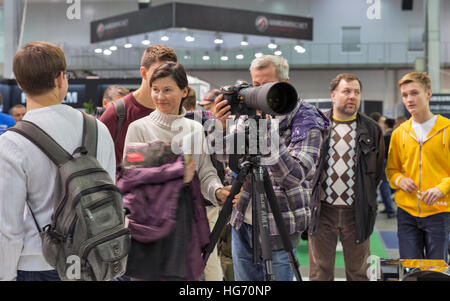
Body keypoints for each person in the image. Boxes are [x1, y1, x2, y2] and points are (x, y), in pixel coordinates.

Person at [0, 41, 116, 281]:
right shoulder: (99, 129)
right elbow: (110, 194)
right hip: (94, 261)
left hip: (37, 264)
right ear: (61, 78)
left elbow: (7, 228)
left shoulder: (11, 143)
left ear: (21, 84)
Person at [213, 54, 330, 281]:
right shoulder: (249, 114)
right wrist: (219, 126)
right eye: (255, 86)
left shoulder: (307, 119)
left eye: (265, 86)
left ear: (283, 85)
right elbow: (225, 156)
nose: (258, 93)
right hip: (243, 220)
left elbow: (294, 176)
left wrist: (266, 132)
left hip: (280, 222)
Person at [123, 62, 230, 280]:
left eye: (167, 90)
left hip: (187, 227)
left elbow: (205, 172)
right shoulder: (139, 128)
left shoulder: (195, 128)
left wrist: (218, 192)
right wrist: (176, 171)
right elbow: (131, 177)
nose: (160, 96)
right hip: (150, 228)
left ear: (184, 91)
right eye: (155, 89)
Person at [308, 73, 384, 281]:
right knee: (319, 274)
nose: (352, 96)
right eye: (346, 91)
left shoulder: (372, 129)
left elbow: (376, 173)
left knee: (359, 273)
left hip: (357, 212)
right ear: (333, 95)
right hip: (322, 211)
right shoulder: (317, 125)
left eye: (356, 92)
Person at [386, 72, 449, 262]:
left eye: (414, 93)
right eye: (405, 95)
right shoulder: (399, 133)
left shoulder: (447, 129)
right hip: (407, 213)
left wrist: (442, 188)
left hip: (439, 211)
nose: (409, 99)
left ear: (428, 94)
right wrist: (400, 180)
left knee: (436, 270)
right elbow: (391, 170)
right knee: (410, 270)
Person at [100, 44, 178, 167]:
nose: (164, 79)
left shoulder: (175, 114)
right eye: (158, 73)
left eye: (169, 74)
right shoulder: (117, 114)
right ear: (143, 73)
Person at [183, 88, 224, 281]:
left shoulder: (186, 123)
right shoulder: (213, 122)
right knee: (211, 251)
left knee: (199, 253)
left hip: (196, 195)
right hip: (213, 194)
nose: (207, 109)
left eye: (208, 105)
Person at [379, 118, 396, 218]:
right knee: (386, 184)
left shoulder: (386, 136)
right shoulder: (396, 134)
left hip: (385, 162)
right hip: (393, 162)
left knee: (384, 185)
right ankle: (388, 207)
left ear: (385, 125)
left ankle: (390, 209)